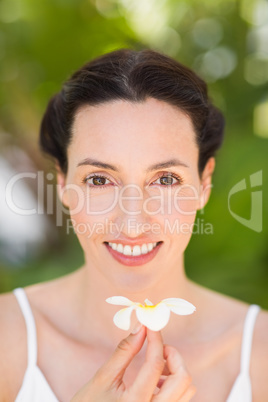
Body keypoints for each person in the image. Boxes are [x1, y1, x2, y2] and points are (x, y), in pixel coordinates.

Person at [0, 48, 267, 402]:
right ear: (63, 184)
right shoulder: (7, 339)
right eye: (99, 180)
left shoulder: (260, 354)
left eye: (166, 179)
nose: (133, 222)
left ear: (204, 184)